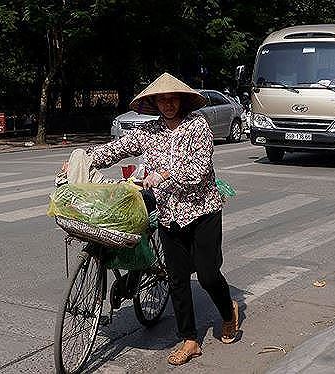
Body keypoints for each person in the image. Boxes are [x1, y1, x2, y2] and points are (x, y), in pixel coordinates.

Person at [86, 72, 239, 366]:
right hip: (169, 215)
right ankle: (190, 339)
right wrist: (85, 158)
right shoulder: (148, 132)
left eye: (172, 99)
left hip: (203, 210)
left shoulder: (198, 126)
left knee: (208, 275)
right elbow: (115, 149)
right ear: (154, 102)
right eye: (162, 99)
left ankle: (227, 311)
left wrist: (165, 174)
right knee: (177, 280)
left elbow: (199, 170)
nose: (168, 104)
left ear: (181, 100)